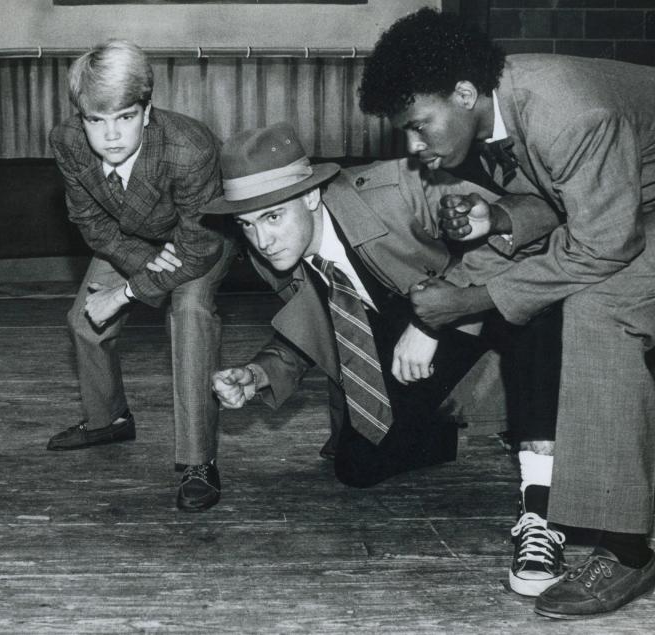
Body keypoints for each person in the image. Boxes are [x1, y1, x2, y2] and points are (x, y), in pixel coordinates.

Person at [358, 7, 655, 619]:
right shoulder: (502, 104)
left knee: (599, 305)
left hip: (628, 219)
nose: (415, 148)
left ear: (464, 94)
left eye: (419, 127)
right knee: (562, 281)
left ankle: (628, 550)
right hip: (632, 203)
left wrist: (472, 300)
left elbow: (604, 241)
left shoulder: (568, 113)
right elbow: (566, 199)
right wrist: (500, 218)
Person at [202, 122, 564, 594]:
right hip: (400, 343)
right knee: (356, 467)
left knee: (532, 308)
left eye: (272, 217)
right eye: (247, 225)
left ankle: (539, 506)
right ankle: (472, 423)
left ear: (311, 197)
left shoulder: (401, 187)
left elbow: (536, 212)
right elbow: (316, 321)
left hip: (480, 306)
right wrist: (257, 373)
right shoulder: (272, 251)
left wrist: (434, 317)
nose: (262, 239)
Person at [47, 40, 235, 511]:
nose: (110, 135)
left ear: (146, 111)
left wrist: (127, 292)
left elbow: (198, 247)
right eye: (96, 119)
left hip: (199, 240)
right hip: (133, 240)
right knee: (84, 321)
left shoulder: (190, 147)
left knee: (188, 313)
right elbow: (90, 222)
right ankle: (108, 420)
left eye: (125, 117)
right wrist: (142, 267)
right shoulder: (66, 141)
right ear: (81, 115)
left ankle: (198, 461)